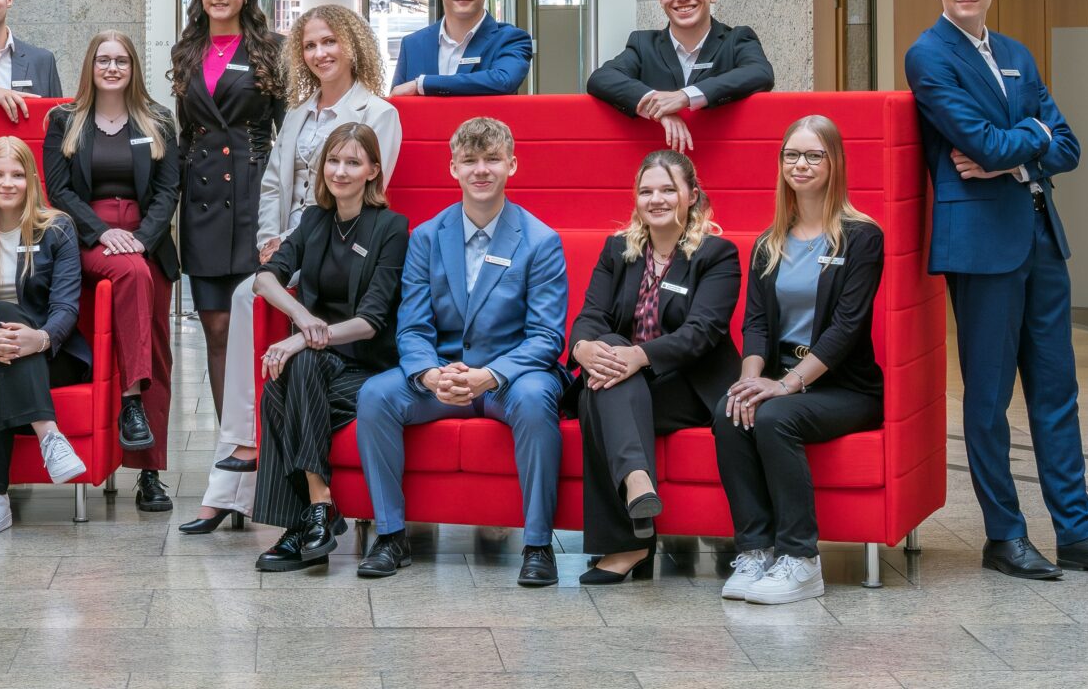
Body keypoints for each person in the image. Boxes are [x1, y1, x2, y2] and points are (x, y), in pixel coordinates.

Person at [905, 0, 1088, 583]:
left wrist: (1022, 145)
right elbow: (982, 146)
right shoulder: (928, 56)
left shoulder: (1018, 53)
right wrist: (1028, 143)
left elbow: (1067, 144)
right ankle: (1005, 537)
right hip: (982, 249)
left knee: (1057, 391)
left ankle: (1077, 532)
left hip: (1041, 238)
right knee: (989, 401)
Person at [191, 4, 400, 534]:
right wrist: (269, 241)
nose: (320, 53)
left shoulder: (378, 112)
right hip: (288, 243)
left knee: (248, 303)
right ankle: (236, 466)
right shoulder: (298, 112)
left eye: (329, 41)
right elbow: (271, 183)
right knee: (250, 296)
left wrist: (299, 249)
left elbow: (365, 189)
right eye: (309, 45)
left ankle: (245, 466)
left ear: (351, 44)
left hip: (334, 243)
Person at [351, 116, 569, 585]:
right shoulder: (427, 237)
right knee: (375, 395)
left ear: (513, 163)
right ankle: (391, 536)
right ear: (453, 168)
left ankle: (537, 545)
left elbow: (547, 338)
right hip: (444, 375)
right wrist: (430, 375)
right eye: (469, 161)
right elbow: (411, 326)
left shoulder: (541, 241)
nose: (481, 170)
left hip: (510, 378)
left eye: (492, 159)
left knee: (536, 399)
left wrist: (489, 376)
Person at [719, 117, 888, 604]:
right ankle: (754, 552)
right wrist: (749, 382)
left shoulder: (861, 237)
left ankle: (801, 560)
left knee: (774, 419)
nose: (801, 164)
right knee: (729, 413)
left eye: (814, 155)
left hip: (845, 387)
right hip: (779, 377)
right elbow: (756, 325)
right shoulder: (769, 241)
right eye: (792, 155)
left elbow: (846, 329)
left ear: (834, 162)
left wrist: (786, 385)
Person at [567, 150, 743, 585]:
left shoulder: (716, 255)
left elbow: (701, 332)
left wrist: (638, 357)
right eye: (646, 190)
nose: (656, 199)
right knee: (603, 354)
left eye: (668, 189)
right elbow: (590, 314)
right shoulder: (618, 251)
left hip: (688, 383)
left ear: (692, 196)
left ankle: (630, 541)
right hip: (624, 378)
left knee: (597, 393)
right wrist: (584, 349)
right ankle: (638, 485)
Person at [250, 124, 409, 572]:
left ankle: (306, 519)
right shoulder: (314, 221)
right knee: (288, 379)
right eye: (334, 161)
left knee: (292, 373)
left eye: (353, 162)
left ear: (373, 171)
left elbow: (370, 321)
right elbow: (265, 278)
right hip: (320, 370)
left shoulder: (390, 228)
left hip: (367, 371)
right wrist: (302, 317)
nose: (341, 171)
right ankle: (317, 511)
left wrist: (302, 338)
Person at [41, 30, 181, 513]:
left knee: (156, 351)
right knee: (132, 276)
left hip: (148, 241)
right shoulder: (64, 121)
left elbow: (168, 192)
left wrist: (142, 239)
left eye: (122, 60)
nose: (113, 67)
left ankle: (150, 474)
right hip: (86, 241)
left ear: (133, 67)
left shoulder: (157, 119)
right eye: (104, 59)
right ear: (90, 66)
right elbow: (59, 191)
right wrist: (102, 232)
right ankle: (129, 400)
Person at [168, 0, 285, 498]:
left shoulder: (271, 51)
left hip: (254, 193)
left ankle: (264, 444)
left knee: (253, 327)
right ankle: (229, 448)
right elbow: (186, 129)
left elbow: (287, 130)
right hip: (201, 203)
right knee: (215, 329)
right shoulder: (186, 51)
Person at [0, 137, 93, 537]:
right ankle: (50, 436)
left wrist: (40, 338)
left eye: (17, 174)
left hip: (45, 354)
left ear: (31, 181)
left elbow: (66, 307)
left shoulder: (58, 229)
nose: (7, 183)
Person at [586, 0, 776, 152]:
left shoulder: (737, 39)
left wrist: (685, 96)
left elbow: (760, 73)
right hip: (660, 169)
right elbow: (601, 78)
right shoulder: (643, 45)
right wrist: (659, 108)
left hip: (725, 161)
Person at [391, 0, 534, 97]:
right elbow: (397, 109)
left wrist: (422, 84)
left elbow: (504, 80)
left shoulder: (510, 39)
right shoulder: (412, 44)